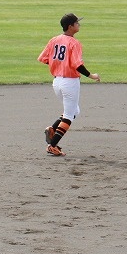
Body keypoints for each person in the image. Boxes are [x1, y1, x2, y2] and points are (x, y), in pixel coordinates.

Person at [37, 13, 101, 156]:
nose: (79, 24)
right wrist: (92, 75)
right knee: (69, 115)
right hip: (70, 83)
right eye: (76, 23)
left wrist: (59, 65)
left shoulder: (54, 40)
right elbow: (78, 65)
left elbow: (43, 58)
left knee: (74, 111)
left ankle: (52, 129)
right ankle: (52, 146)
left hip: (57, 82)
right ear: (70, 26)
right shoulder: (74, 43)